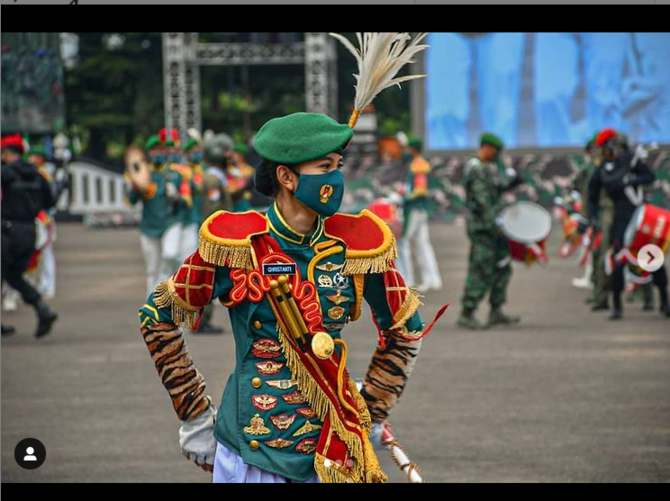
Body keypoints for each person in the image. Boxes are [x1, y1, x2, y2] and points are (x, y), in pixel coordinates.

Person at [138, 113, 435, 483]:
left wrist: (373, 405)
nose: (335, 178)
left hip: (335, 442)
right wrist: (194, 413)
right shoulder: (236, 243)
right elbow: (157, 316)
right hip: (251, 447)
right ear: (287, 176)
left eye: (338, 166)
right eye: (324, 167)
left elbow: (407, 327)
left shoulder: (358, 244)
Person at [587, 128, 669, 320]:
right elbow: (592, 196)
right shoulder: (601, 171)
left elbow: (649, 176)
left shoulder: (630, 162)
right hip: (620, 218)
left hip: (640, 215)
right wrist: (593, 218)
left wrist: (633, 178)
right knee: (618, 261)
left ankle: (664, 300)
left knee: (652, 258)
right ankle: (616, 305)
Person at [458, 133, 522, 330]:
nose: (497, 156)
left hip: (495, 228)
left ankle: (496, 310)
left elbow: (491, 192)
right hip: (484, 229)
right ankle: (467, 313)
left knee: (502, 267)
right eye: (495, 152)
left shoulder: (485, 168)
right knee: (481, 269)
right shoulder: (476, 169)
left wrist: (508, 185)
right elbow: (483, 201)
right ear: (487, 148)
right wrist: (497, 224)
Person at [1, 134, 58, 338]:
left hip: (7, 231)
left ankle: (43, 309)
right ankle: (43, 309)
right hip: (30, 232)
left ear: (7, 154)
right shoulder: (37, 174)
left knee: (7, 274)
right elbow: (50, 202)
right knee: (13, 276)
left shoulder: (5, 173)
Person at [126, 134, 190, 297]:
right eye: (154, 151)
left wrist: (176, 196)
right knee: (152, 268)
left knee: (170, 254)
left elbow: (186, 202)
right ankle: (152, 304)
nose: (158, 154)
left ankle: (167, 293)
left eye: (160, 150)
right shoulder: (142, 174)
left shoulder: (175, 174)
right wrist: (135, 187)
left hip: (171, 221)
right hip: (149, 225)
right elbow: (132, 201)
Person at [398, 137, 443, 292]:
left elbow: (420, 189)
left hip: (414, 209)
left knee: (403, 242)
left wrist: (402, 197)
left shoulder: (419, 165)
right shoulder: (417, 164)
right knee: (422, 244)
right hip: (420, 209)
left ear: (413, 149)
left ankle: (406, 280)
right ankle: (432, 279)